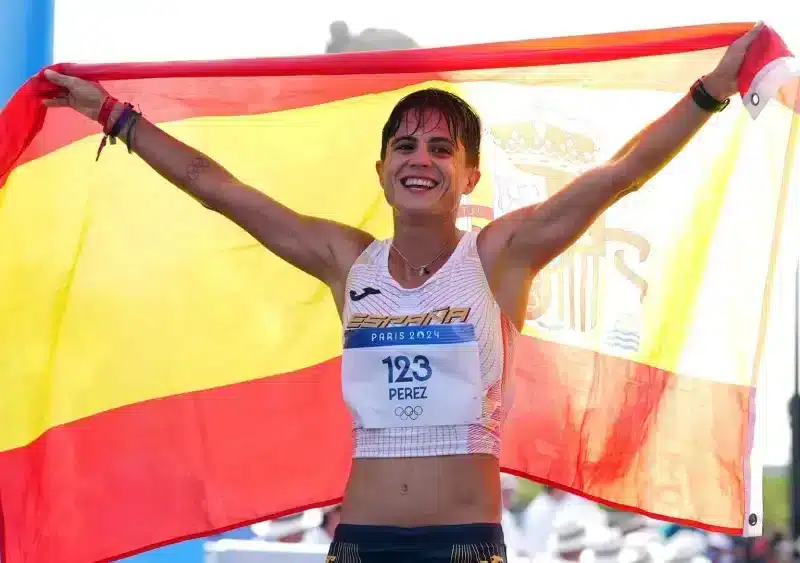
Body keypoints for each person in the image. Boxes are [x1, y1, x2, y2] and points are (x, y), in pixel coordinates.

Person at [41, 22, 763, 563]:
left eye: (442, 148)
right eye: (406, 146)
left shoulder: (500, 257)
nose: (422, 159)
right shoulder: (345, 261)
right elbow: (216, 189)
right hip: (360, 542)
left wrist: (710, 92)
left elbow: (619, 174)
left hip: (465, 544)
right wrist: (114, 115)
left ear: (470, 175)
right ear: (382, 169)